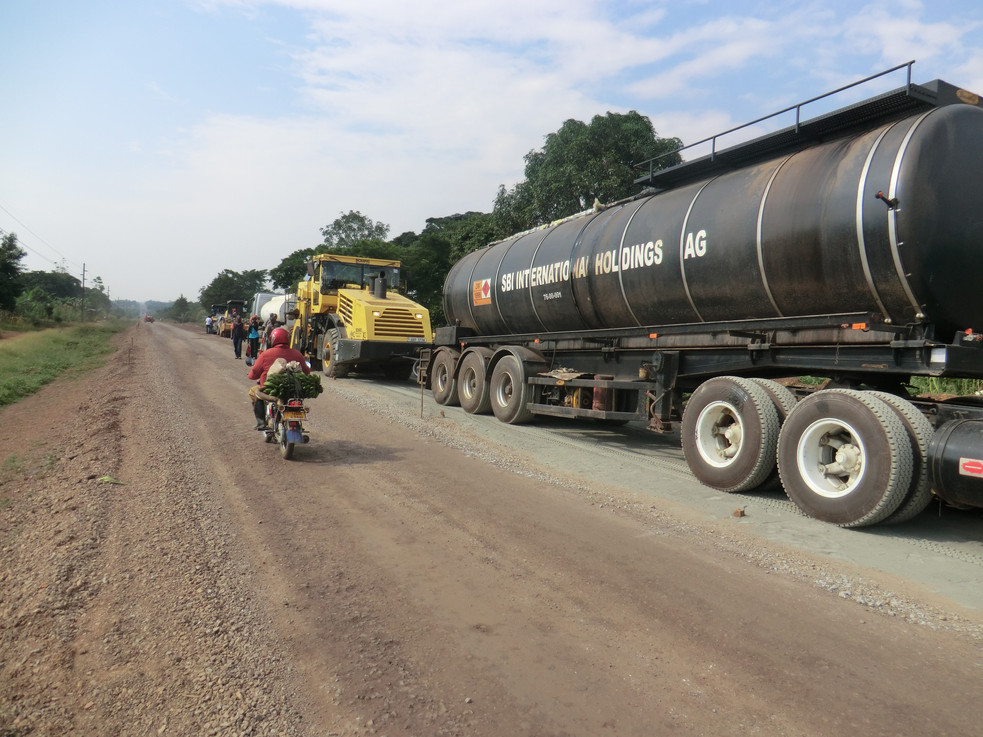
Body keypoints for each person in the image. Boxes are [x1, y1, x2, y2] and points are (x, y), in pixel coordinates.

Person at [247, 327, 311, 429]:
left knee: (254, 392)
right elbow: (306, 372)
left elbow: (253, 374)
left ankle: (261, 422)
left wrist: (251, 375)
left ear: (273, 339)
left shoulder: (266, 354)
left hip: (271, 391)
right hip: (293, 391)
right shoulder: (297, 354)